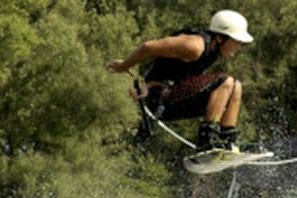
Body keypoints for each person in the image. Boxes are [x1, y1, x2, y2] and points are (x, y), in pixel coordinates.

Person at [106, 10, 258, 153]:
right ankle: (207, 141)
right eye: (237, 41)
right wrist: (123, 66)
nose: (240, 47)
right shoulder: (194, 46)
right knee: (226, 81)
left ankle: (228, 142)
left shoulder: (214, 50)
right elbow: (148, 47)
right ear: (220, 38)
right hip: (157, 100)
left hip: (174, 96)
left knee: (236, 86)